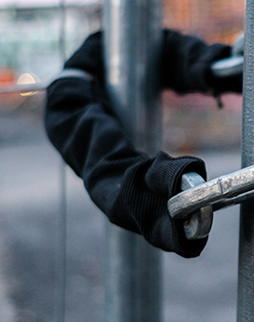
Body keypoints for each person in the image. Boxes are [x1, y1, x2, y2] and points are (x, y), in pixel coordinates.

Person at [44, 30, 242, 258]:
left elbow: (163, 51)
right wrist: (156, 192)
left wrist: (223, 65)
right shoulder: (103, 49)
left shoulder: (128, 43)